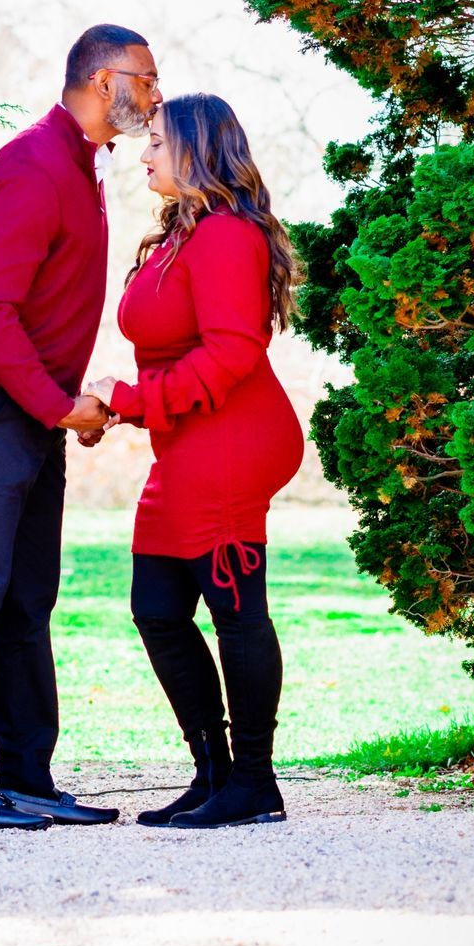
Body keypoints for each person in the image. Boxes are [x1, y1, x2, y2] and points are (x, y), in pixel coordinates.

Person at [0, 24, 161, 831]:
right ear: (103, 81)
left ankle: (25, 776)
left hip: (29, 407)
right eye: (146, 78)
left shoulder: (82, 167)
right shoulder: (32, 165)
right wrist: (56, 403)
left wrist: (63, 404)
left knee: (29, 598)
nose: (155, 94)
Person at [88, 93, 304, 828]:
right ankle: (214, 774)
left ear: (198, 150)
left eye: (156, 142)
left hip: (235, 441)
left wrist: (129, 401)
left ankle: (254, 784)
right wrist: (127, 406)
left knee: (235, 611)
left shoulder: (226, 238)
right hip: (188, 439)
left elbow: (233, 352)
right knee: (156, 607)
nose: (144, 154)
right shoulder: (188, 233)